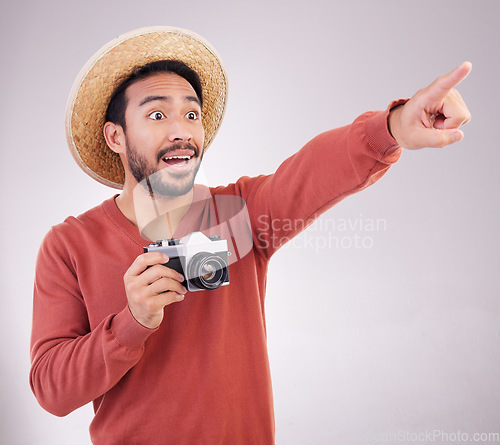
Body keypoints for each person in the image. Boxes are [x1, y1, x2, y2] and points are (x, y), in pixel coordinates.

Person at [30, 26, 471, 444]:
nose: (181, 129)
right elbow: (52, 389)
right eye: (158, 114)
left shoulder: (237, 213)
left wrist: (391, 127)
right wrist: (132, 322)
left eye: (191, 113)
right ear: (116, 137)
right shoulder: (68, 245)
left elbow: (308, 173)